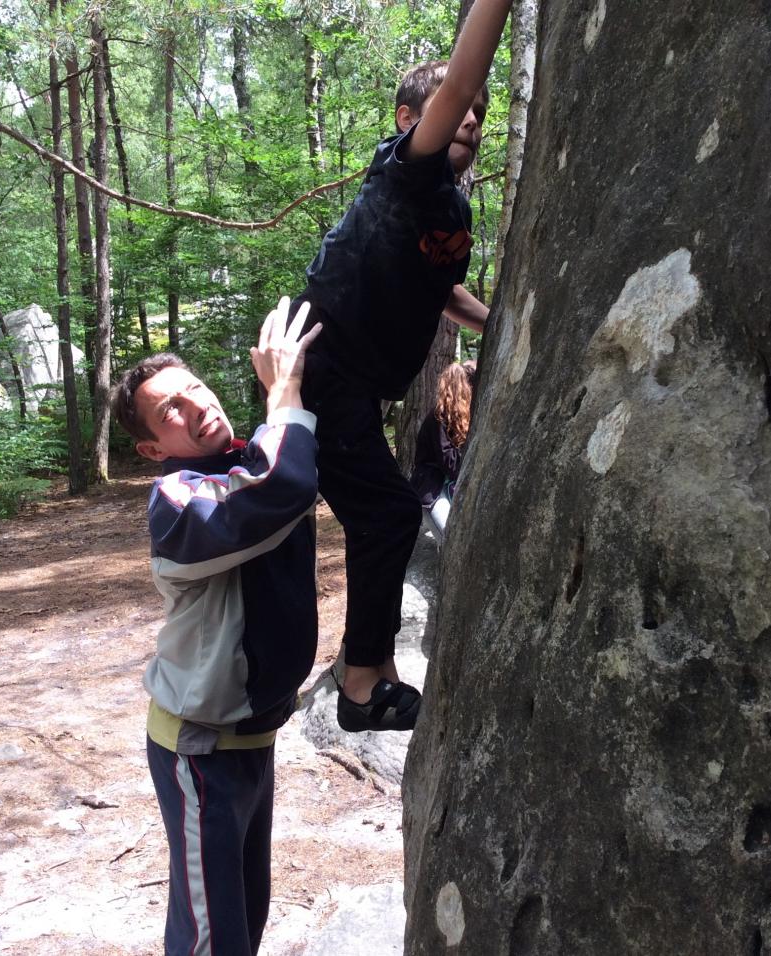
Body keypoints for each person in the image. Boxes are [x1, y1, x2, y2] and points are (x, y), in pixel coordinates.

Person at [293, 0, 511, 733]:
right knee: (388, 514)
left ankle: (378, 675)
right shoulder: (405, 173)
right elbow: (453, 89)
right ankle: (360, 686)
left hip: (356, 387)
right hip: (323, 372)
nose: (471, 120)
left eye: (482, 113)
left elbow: (440, 289)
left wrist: (499, 324)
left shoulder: (447, 205)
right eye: (459, 109)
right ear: (406, 118)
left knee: (385, 518)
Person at [109, 297, 322, 956]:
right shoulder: (176, 506)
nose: (194, 404)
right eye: (169, 409)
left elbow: (291, 463)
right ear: (152, 447)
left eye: (193, 388)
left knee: (242, 921)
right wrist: (285, 390)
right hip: (198, 751)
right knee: (211, 938)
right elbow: (277, 487)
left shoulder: (246, 457)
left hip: (253, 736)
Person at [411, 360, 476, 540]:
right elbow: (449, 462)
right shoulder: (438, 418)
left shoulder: (462, 418)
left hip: (452, 488)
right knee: (452, 539)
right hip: (433, 491)